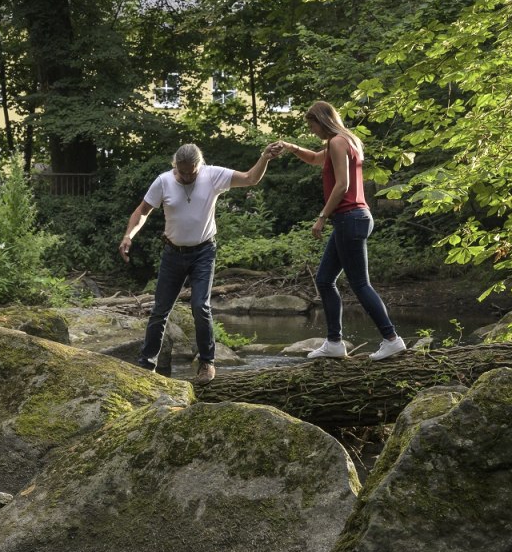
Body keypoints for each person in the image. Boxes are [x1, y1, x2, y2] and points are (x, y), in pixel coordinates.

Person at [120, 143, 279, 384]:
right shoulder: (163, 181)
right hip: (173, 253)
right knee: (159, 311)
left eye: (190, 172)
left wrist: (264, 158)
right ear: (175, 166)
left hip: (204, 252)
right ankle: (146, 364)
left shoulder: (212, 175)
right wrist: (129, 235)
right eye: (181, 172)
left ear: (199, 165)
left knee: (200, 306)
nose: (186, 176)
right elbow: (142, 211)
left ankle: (207, 363)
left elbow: (249, 179)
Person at [273, 101, 407, 361]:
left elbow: (343, 184)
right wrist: (290, 147)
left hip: (349, 217)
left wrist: (322, 217)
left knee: (359, 283)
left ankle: (392, 339)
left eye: (312, 125)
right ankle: (334, 342)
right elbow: (313, 158)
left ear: (322, 120)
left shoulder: (336, 142)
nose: (312, 131)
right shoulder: (348, 140)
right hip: (354, 218)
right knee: (324, 280)